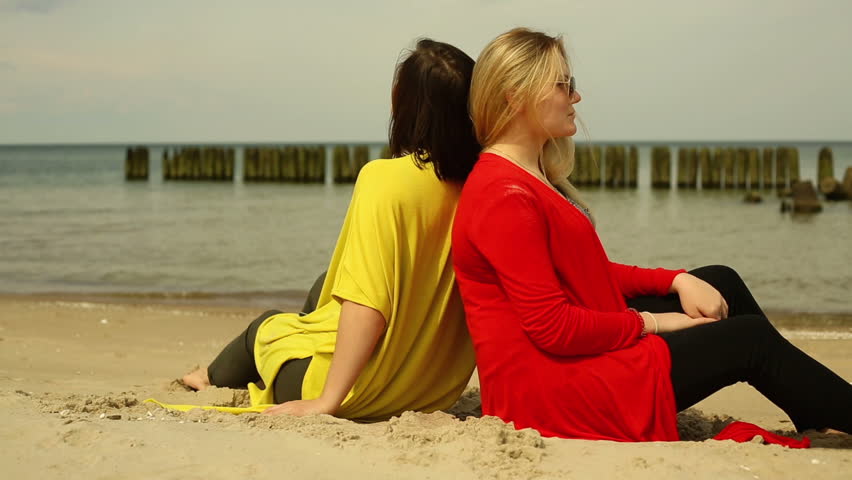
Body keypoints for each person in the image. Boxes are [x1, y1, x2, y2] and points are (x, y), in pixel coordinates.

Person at [452, 27, 852, 441]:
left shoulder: (527, 175)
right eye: (563, 84)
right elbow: (553, 328)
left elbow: (589, 270)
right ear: (514, 96)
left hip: (565, 364)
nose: (576, 97)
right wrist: (653, 323)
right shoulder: (504, 194)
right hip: (553, 390)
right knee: (748, 339)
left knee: (719, 281)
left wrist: (676, 279)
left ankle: (812, 407)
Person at [179, 38, 480, 420]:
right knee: (327, 284)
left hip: (363, 391)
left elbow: (368, 303)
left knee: (263, 328)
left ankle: (207, 379)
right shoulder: (484, 186)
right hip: (430, 391)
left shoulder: (383, 179)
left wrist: (327, 402)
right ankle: (296, 338)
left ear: (401, 105)